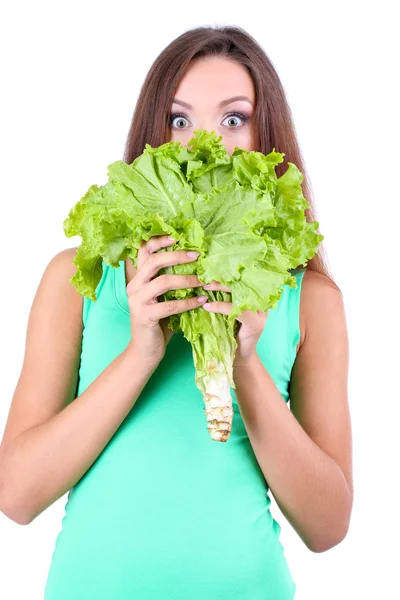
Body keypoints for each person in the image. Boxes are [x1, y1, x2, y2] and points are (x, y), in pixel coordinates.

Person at [0, 25, 353, 600]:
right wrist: (141, 352)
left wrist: (246, 363)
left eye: (234, 119)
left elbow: (328, 526)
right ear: (153, 136)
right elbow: (15, 496)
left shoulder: (308, 299)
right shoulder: (78, 277)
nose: (203, 143)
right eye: (180, 119)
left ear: (268, 136)